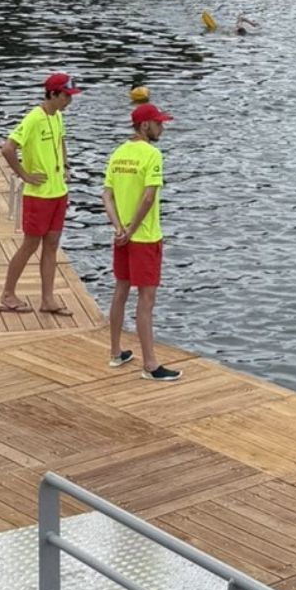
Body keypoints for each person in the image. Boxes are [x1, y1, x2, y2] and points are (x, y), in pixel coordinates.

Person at [104, 102, 181, 381]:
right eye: (159, 124)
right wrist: (133, 229)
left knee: (120, 290)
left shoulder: (118, 153)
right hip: (145, 237)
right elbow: (148, 197)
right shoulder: (152, 154)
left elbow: (107, 195)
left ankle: (115, 352)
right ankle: (150, 364)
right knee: (146, 300)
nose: (162, 128)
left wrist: (119, 228)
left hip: (121, 236)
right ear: (145, 125)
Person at [0, 72, 82, 315]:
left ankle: (47, 299)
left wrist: (65, 167)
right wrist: (24, 175)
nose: (69, 101)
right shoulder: (34, 118)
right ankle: (8, 294)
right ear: (53, 94)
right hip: (39, 195)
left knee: (52, 244)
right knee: (30, 244)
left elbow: (61, 141)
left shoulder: (57, 116)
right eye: (66, 96)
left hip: (58, 192)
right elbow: (7, 149)